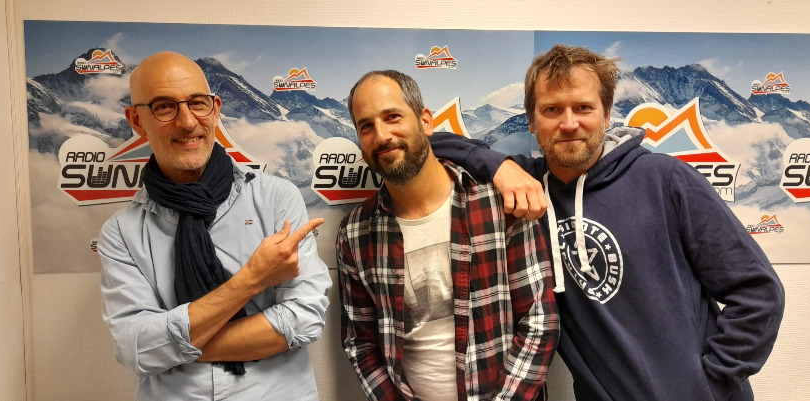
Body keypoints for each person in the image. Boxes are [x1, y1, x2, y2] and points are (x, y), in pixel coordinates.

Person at [430, 44, 785, 401]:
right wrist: (500, 166)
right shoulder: (529, 190)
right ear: (532, 122)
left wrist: (710, 384)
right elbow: (428, 145)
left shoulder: (666, 180)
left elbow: (758, 293)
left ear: (607, 114)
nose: (569, 123)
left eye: (583, 107)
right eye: (552, 110)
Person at [98, 51, 331, 400]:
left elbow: (304, 318)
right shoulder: (121, 233)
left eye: (198, 103)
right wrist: (251, 280)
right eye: (165, 107)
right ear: (136, 120)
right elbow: (138, 349)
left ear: (216, 108)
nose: (188, 122)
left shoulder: (275, 198)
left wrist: (175, 347)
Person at [336, 70, 559, 401]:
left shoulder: (498, 203)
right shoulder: (355, 233)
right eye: (366, 126)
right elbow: (361, 344)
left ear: (425, 121)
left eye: (392, 117)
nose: (381, 135)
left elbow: (539, 322)